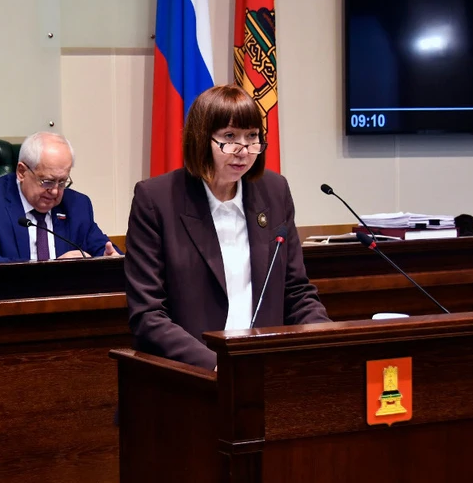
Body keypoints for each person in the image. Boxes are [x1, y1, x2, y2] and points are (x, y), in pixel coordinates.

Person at [125, 84, 329, 370]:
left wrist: (328, 336)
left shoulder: (274, 191)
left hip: (264, 369)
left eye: (252, 137)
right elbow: (148, 314)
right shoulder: (157, 199)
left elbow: (295, 291)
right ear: (200, 139)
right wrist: (217, 366)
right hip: (189, 377)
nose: (243, 150)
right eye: (230, 137)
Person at [0, 131, 119, 263]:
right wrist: (52, 268)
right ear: (22, 172)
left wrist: (110, 260)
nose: (56, 191)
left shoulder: (77, 205)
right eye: (47, 182)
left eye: (62, 182)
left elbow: (104, 249)